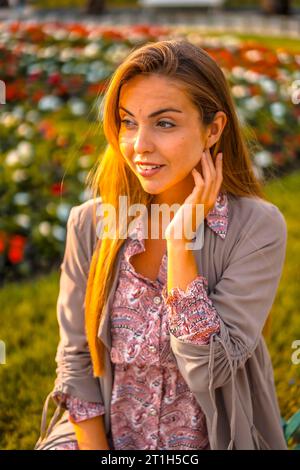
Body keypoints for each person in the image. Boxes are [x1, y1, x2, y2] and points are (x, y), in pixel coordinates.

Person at [35, 39, 288, 450]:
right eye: (128, 121)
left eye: (164, 123)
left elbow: (211, 371)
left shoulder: (257, 228)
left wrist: (179, 242)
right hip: (108, 438)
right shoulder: (91, 223)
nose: (139, 145)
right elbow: (77, 361)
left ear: (213, 130)